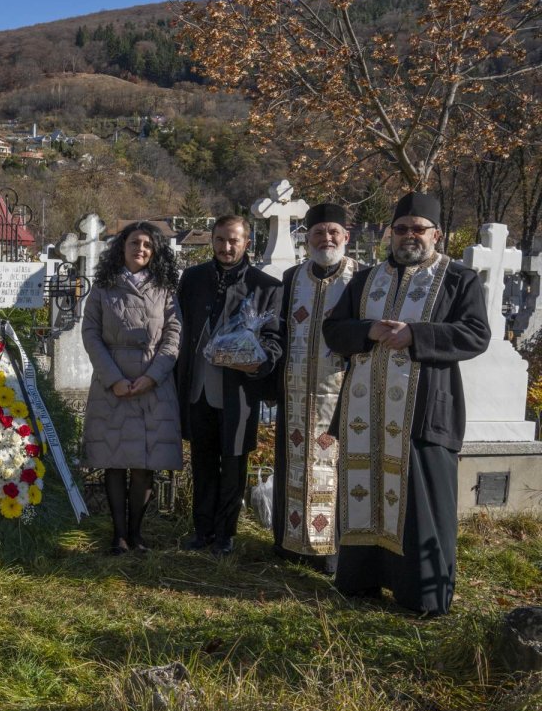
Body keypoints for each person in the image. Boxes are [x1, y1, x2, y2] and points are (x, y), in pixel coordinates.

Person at [323, 192, 489, 615]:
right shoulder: (365, 280)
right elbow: (333, 331)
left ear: (437, 234)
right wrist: (367, 330)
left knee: (423, 503)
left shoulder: (458, 279)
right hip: (364, 413)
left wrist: (417, 334)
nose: (408, 236)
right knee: (365, 490)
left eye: (418, 229)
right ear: (390, 233)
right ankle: (360, 580)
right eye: (401, 229)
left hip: (425, 413)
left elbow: (475, 334)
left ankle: (422, 596)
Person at [176, 214, 282, 556]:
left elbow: (274, 340)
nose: (226, 247)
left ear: (246, 242)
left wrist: (258, 361)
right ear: (212, 240)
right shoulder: (192, 279)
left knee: (234, 463)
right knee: (203, 461)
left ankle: (225, 534)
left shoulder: (266, 286)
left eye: (233, 240)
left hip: (238, 392)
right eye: (220, 239)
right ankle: (202, 530)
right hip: (199, 387)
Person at [81, 221, 183, 555]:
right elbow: (91, 333)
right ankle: (119, 535)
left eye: (147, 245)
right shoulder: (103, 286)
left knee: (144, 463)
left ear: (155, 252)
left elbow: (173, 335)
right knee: (114, 460)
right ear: (121, 247)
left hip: (153, 384)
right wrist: (113, 379)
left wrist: (152, 377)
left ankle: (137, 534)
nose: (141, 249)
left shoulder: (165, 288)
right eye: (134, 243)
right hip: (112, 384)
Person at [272, 203, 359, 573]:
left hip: (341, 392)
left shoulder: (361, 277)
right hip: (295, 390)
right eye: (319, 233)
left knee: (335, 467)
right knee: (293, 464)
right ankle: (291, 546)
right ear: (307, 238)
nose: (326, 239)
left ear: (346, 236)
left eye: (333, 232)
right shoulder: (293, 277)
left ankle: (330, 553)